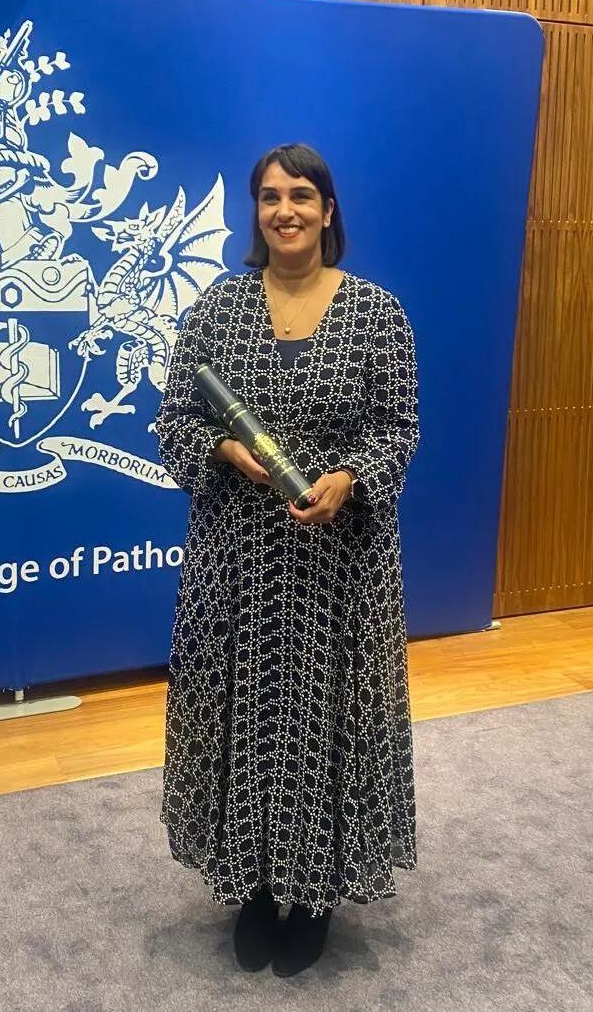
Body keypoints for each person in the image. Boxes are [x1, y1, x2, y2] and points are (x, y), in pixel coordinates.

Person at [155, 142, 420, 977]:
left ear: (329, 210)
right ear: (256, 211)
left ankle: (312, 890)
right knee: (240, 712)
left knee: (325, 717)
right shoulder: (216, 310)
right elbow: (173, 422)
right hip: (236, 561)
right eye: (270, 196)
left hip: (340, 563)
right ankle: (256, 882)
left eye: (302, 195)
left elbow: (399, 431)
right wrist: (229, 451)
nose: (286, 210)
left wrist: (348, 477)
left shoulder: (378, 313)